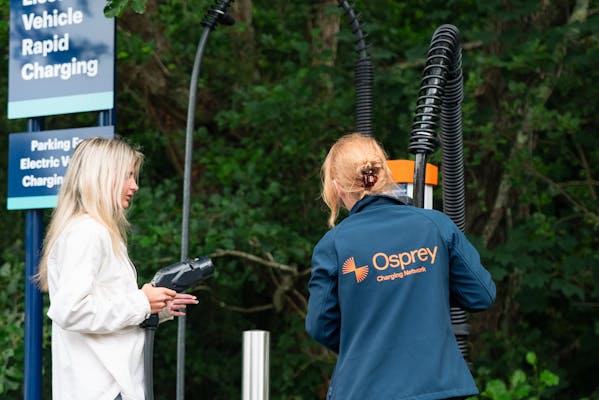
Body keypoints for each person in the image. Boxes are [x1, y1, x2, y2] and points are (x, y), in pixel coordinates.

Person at [305, 133, 496, 400]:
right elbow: (481, 294)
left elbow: (320, 326)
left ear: (336, 187)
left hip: (366, 389)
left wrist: (368, 344)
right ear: (383, 173)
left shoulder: (334, 245)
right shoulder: (435, 226)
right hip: (439, 387)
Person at [36, 136, 199, 400]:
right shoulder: (87, 233)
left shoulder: (94, 232)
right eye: (128, 176)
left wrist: (157, 307)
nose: (134, 186)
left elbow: (105, 309)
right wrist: (142, 301)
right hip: (104, 388)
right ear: (102, 177)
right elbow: (71, 310)